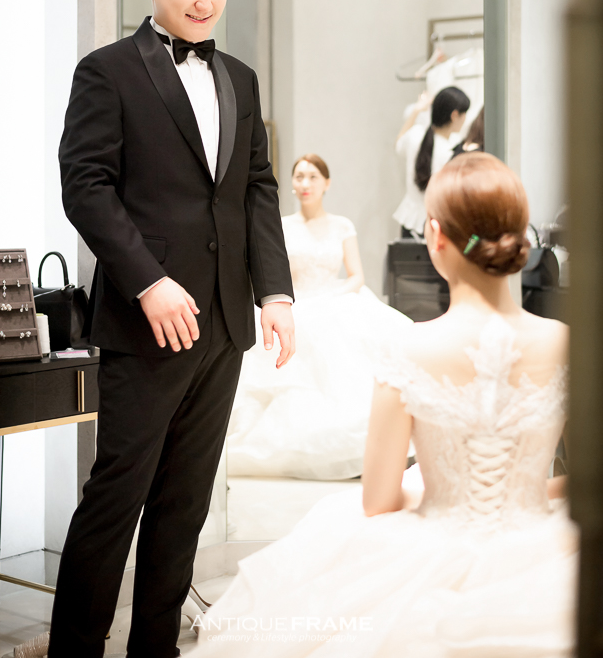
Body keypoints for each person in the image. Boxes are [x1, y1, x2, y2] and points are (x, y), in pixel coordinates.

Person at [21, 0, 295, 658]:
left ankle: (156, 649)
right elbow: (85, 187)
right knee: (117, 497)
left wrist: (274, 293)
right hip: (147, 321)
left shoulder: (240, 77)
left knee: (185, 504)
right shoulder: (106, 71)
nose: (206, 3)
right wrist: (148, 281)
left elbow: (257, 188)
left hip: (225, 324)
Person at [191, 152, 576, 656]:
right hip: (542, 553)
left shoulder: (408, 347)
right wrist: (522, 496)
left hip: (438, 546)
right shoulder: (566, 343)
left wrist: (452, 498)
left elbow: (378, 500)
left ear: (435, 236)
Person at [227, 154, 413, 480]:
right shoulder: (282, 226)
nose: (305, 183)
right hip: (296, 303)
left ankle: (364, 436)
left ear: (327, 183)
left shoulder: (342, 226)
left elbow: (356, 276)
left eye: (313, 177)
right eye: (299, 176)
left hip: (334, 299)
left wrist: (332, 297)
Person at [393, 85, 470, 238]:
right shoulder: (450, 152)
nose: (465, 119)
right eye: (464, 114)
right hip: (435, 226)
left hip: (409, 221)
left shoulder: (415, 135)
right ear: (454, 115)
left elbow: (399, 143)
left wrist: (416, 110)